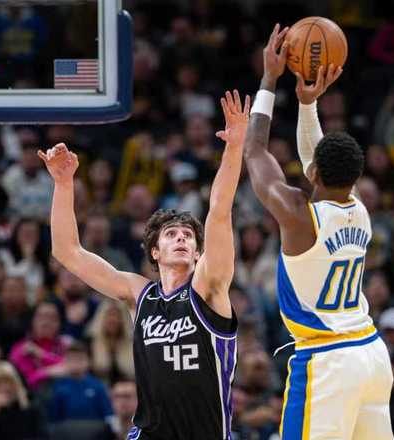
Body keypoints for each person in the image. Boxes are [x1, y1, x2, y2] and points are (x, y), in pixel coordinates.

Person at [38, 89, 244, 439]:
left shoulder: (209, 288)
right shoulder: (140, 294)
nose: (181, 239)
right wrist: (63, 184)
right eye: (171, 235)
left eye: (188, 236)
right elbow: (67, 252)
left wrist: (235, 147)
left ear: (198, 253)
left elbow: (220, 212)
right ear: (155, 252)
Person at [243, 25, 393, 438]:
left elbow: (254, 151)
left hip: (328, 359)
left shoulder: (300, 217)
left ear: (312, 173)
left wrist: (269, 79)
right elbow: (316, 157)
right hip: (371, 353)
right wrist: (307, 104)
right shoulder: (359, 209)